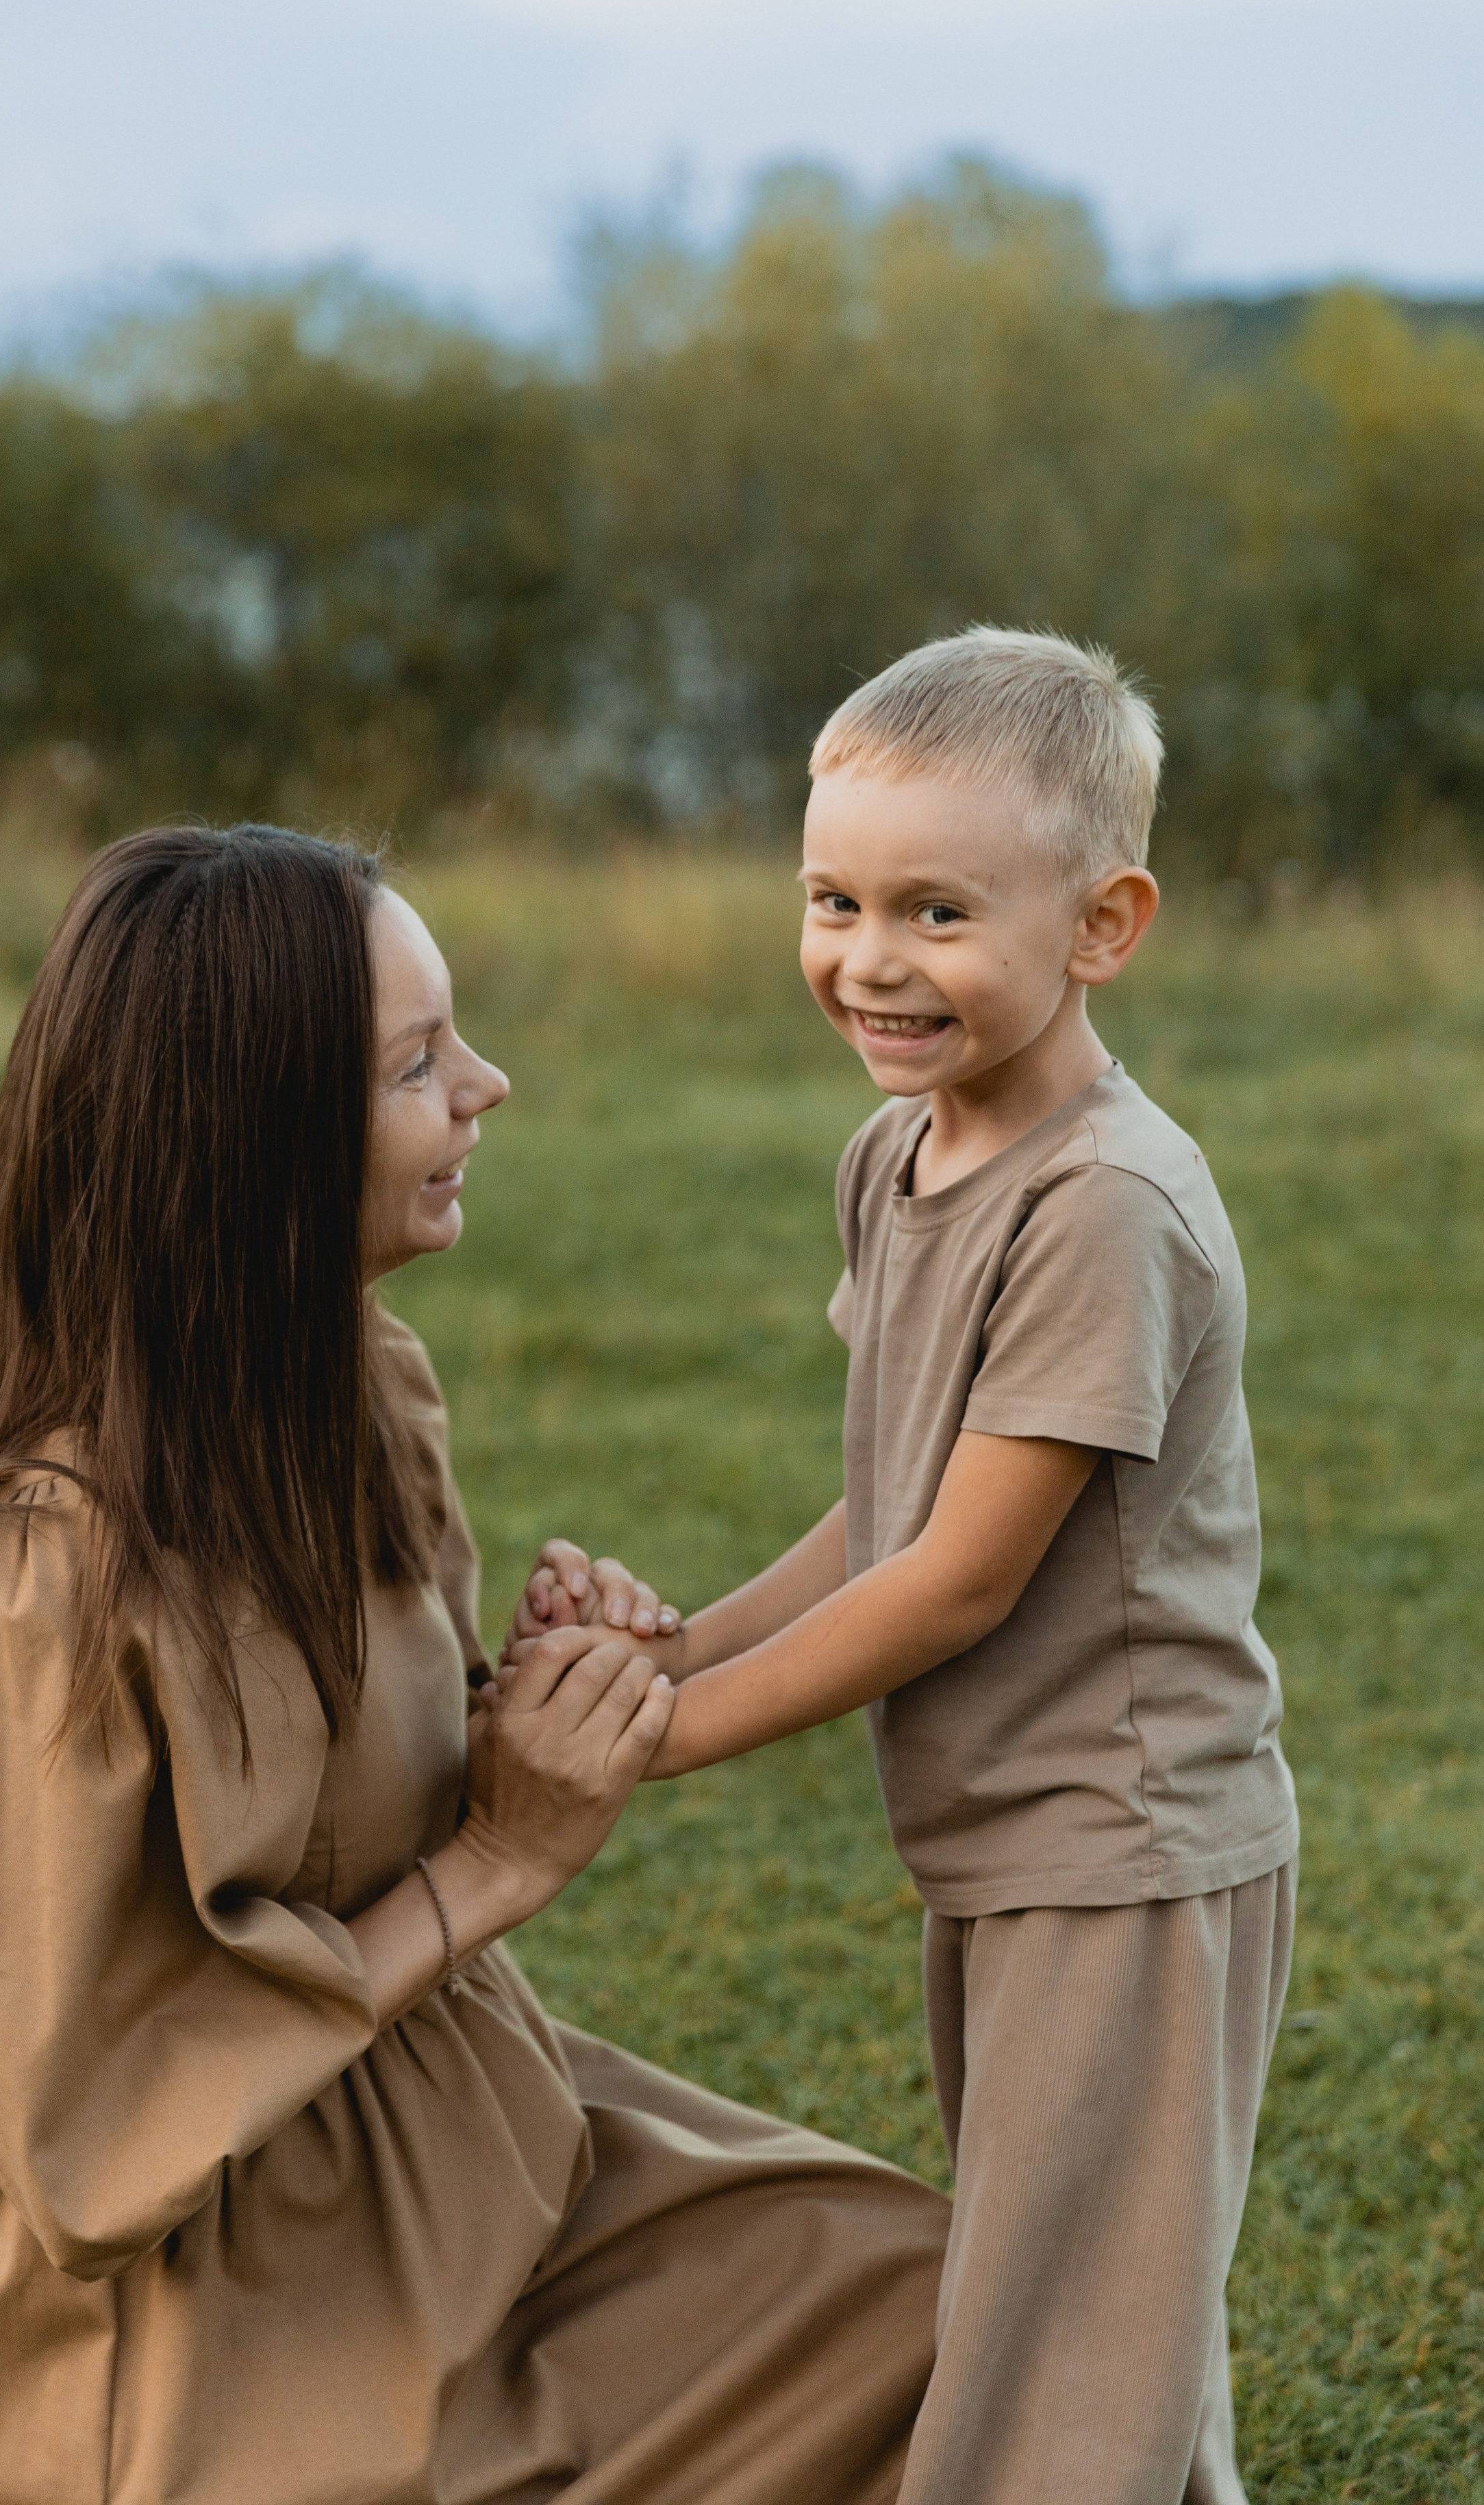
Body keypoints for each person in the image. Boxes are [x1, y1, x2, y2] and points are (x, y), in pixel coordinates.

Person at [0, 824, 950, 2505]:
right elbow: (80, 2133)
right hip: (209, 2306)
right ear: (257, 1142)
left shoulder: (359, 1386)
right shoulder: (46, 1571)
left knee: (970, 2299)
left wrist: (543, 1697)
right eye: (416, 1064)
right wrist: (503, 1859)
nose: (486, 1086)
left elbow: (381, 1801)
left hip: (473, 2150)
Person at [514, 631, 1298, 2505]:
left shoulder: (1102, 1206)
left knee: (1052, 2368)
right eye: (835, 898)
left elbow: (955, 1580)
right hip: (1001, 1839)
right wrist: (681, 1645)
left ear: (1105, 925)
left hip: (1122, 1848)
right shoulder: (899, 1157)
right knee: (1103, 2327)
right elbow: (887, 1502)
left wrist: (659, 1734)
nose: (870, 956)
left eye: (939, 910)